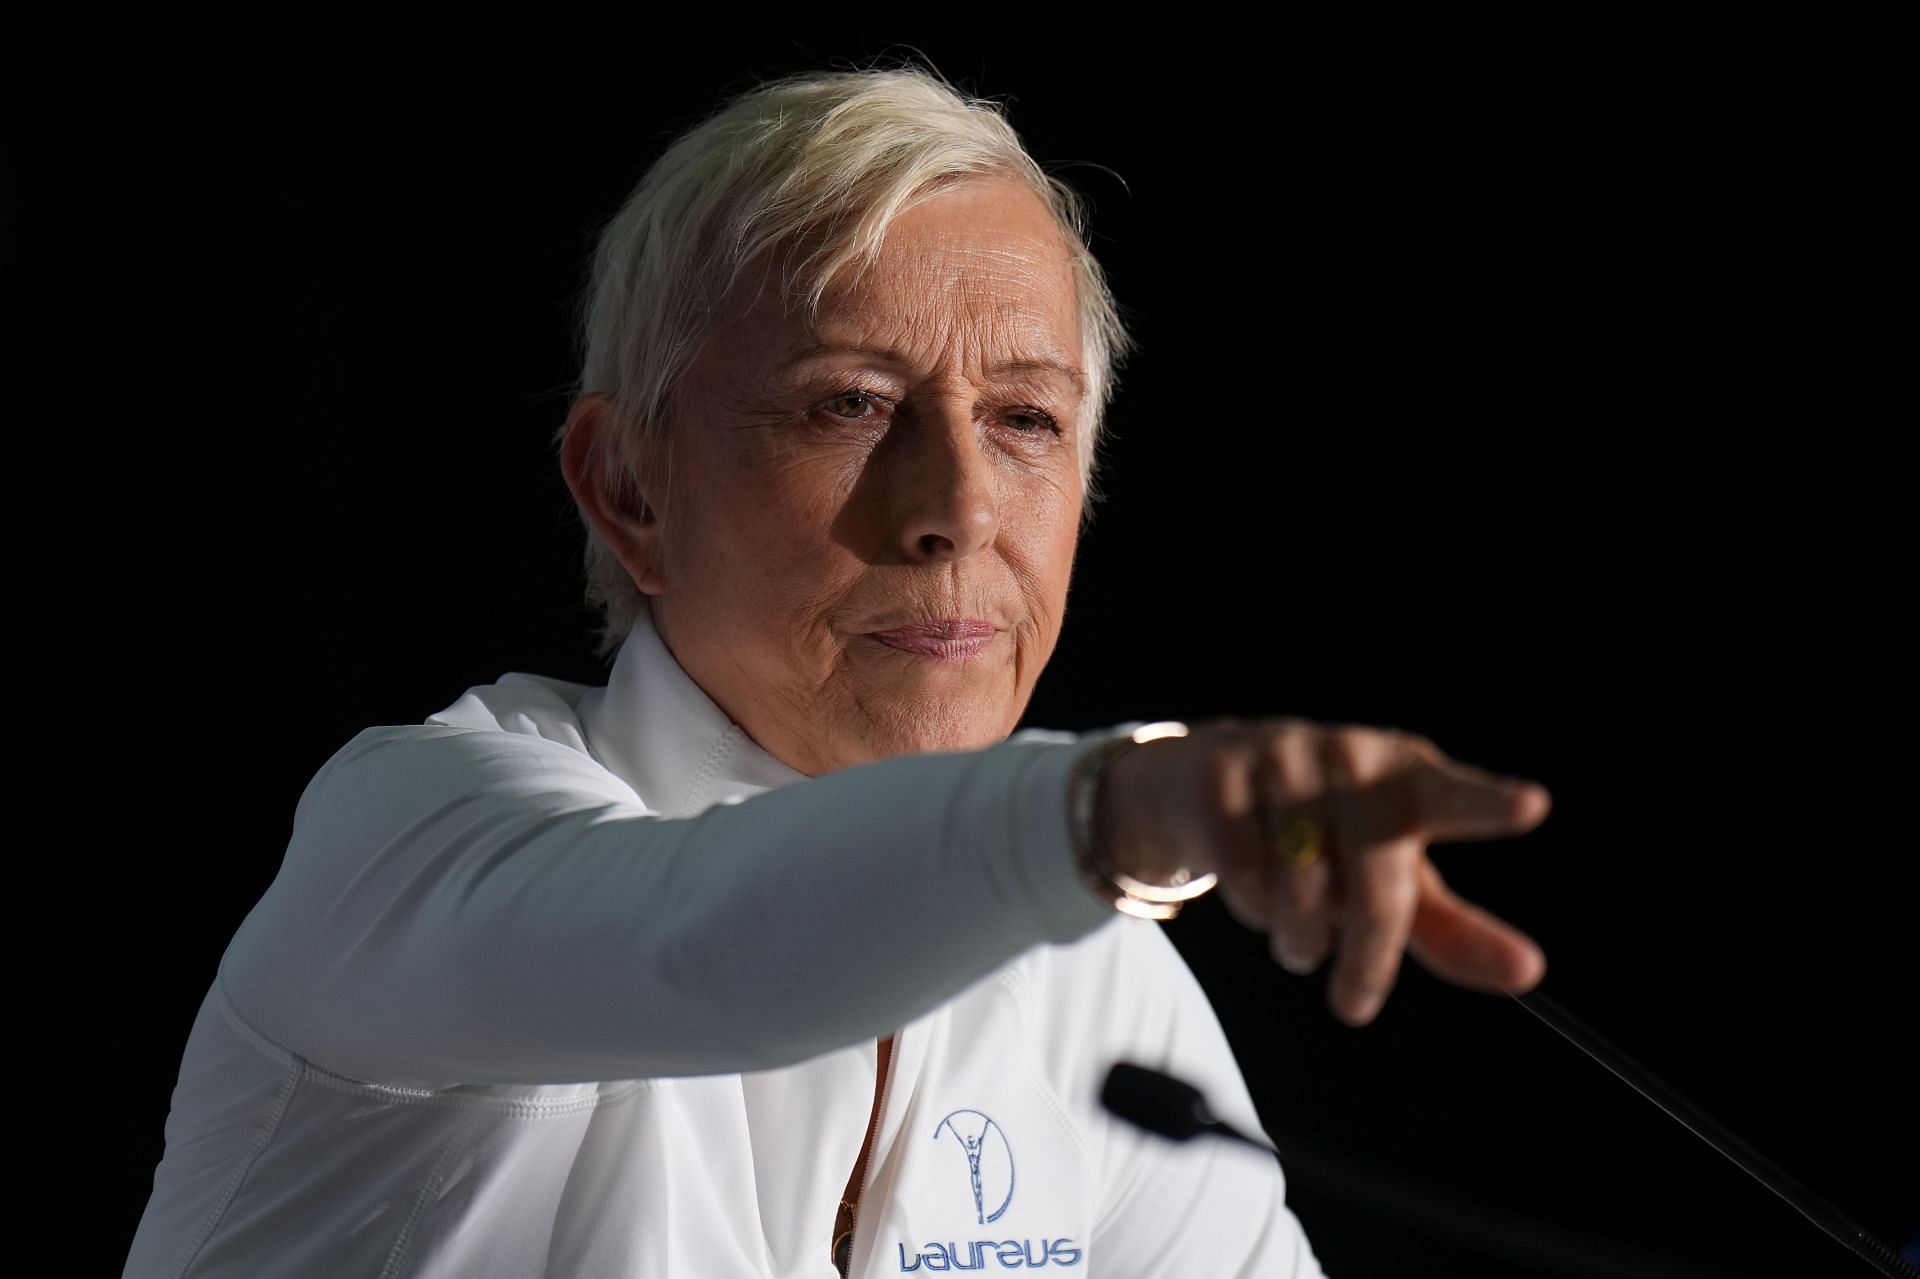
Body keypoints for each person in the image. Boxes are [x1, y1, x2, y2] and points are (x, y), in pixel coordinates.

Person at [123, 64, 1551, 1278]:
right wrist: (1134, 811)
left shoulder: (1099, 977)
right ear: (626, 487)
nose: (960, 510)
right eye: (851, 404)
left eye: (1026, 421)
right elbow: (707, 949)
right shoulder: (411, 831)